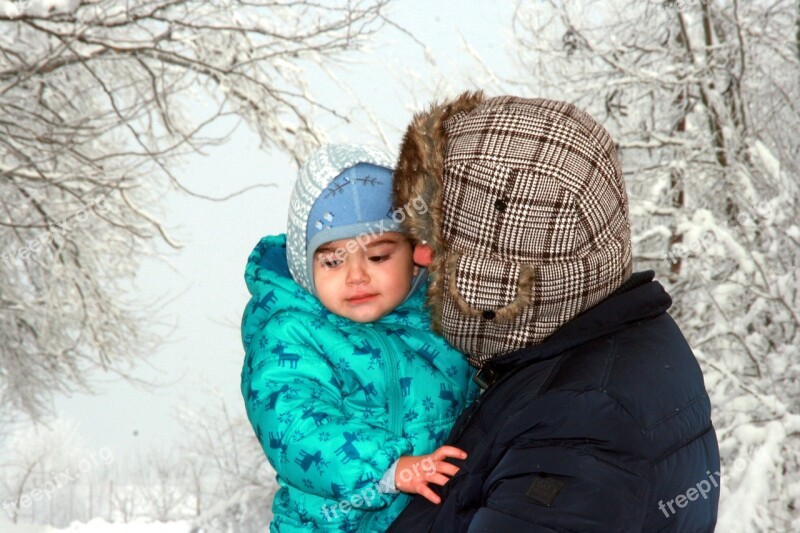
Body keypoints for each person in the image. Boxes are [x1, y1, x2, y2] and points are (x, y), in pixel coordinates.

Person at [387, 93, 721, 532]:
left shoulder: (583, 425)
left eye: (442, 242)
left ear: (497, 275)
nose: (422, 257)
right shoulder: (617, 345)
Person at [241, 144, 477, 532]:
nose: (356, 277)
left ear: (415, 254)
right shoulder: (292, 333)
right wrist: (388, 468)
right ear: (305, 264)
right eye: (333, 261)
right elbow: (294, 425)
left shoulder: (440, 321)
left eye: (378, 257)